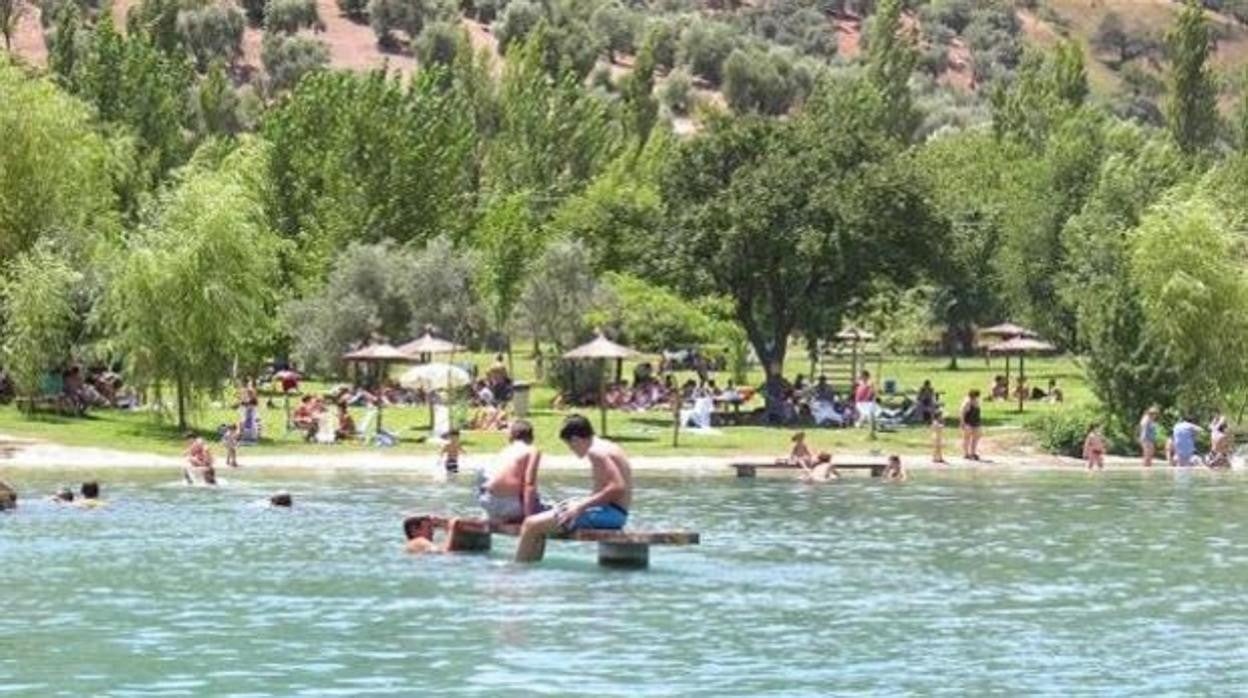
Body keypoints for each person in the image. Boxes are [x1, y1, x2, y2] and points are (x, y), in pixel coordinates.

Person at [514, 415, 632, 563]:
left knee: (531, 524)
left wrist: (580, 507)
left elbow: (617, 487)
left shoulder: (596, 452)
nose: (572, 450)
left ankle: (517, 571)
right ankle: (531, 566)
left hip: (610, 515)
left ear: (575, 439)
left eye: (570, 446)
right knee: (543, 521)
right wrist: (579, 503)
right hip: (617, 513)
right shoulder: (608, 446)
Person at [475, 420, 543, 524]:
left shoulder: (504, 451)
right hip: (510, 505)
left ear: (511, 437)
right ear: (531, 437)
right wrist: (529, 518)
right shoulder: (531, 450)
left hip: (488, 502)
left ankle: (493, 521)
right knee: (545, 510)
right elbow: (529, 484)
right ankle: (514, 522)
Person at [960, 390, 983, 461]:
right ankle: (966, 453)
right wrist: (962, 422)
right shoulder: (967, 402)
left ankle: (973, 452)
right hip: (968, 422)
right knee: (967, 438)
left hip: (976, 422)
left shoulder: (977, 402)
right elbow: (962, 413)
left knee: (976, 438)